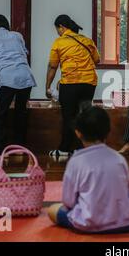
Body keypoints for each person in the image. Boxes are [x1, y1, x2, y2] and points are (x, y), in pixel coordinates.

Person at [48, 106, 129, 234]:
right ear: (108, 131)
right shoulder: (119, 158)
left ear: (78, 132)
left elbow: (68, 201)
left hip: (90, 223)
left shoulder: (76, 161)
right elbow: (126, 193)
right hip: (127, 221)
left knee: (52, 210)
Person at [46, 15, 100, 163]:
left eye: (57, 29)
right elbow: (97, 60)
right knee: (83, 116)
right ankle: (81, 148)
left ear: (62, 27)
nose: (57, 32)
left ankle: (64, 149)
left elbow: (52, 66)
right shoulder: (87, 41)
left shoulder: (59, 42)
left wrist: (48, 86)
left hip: (70, 83)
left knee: (69, 116)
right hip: (89, 83)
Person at [0, 15, 36, 154]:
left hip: (7, 79)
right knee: (21, 112)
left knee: (0, 115)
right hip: (25, 77)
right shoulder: (17, 35)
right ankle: (20, 148)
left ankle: (2, 151)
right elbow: (24, 55)